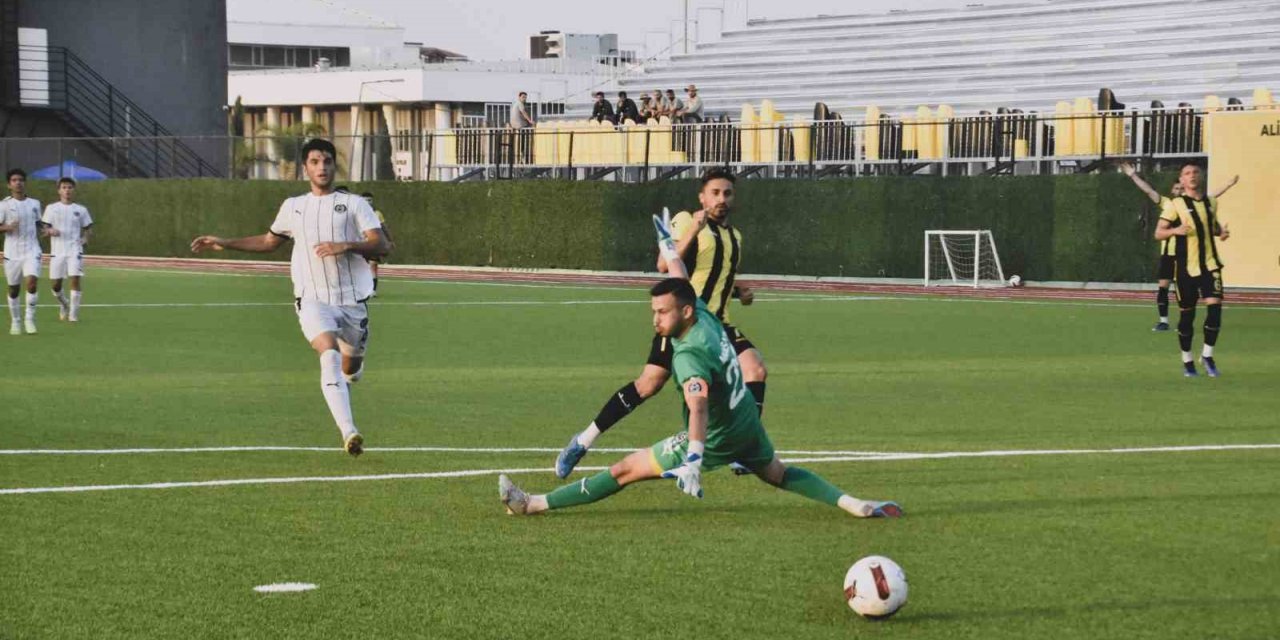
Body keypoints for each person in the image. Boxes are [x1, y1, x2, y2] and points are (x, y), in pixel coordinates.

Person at [499, 212, 901, 519]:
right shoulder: (705, 314)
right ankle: (855, 505)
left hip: (719, 436)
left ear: (684, 312)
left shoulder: (687, 352)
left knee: (625, 469)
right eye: (653, 311)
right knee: (779, 474)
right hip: (748, 423)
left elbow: (698, 406)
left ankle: (533, 504)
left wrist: (693, 458)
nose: (655, 320)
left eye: (661, 313)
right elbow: (680, 276)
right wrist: (668, 246)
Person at [555, 168, 766, 478]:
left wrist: (739, 292)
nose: (721, 199)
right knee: (648, 385)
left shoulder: (735, 237)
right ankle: (583, 441)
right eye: (715, 193)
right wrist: (695, 229)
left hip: (718, 325)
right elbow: (665, 263)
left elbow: (713, 277)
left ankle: (746, 449)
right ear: (702, 197)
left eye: (727, 193)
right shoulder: (686, 221)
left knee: (755, 368)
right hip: (684, 322)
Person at [190, 138, 389, 454]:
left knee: (350, 366)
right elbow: (269, 242)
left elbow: (382, 245)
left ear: (333, 165)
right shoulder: (293, 206)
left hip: (352, 302)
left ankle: (354, 371)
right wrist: (225, 242)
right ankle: (349, 432)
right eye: (314, 161)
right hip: (312, 299)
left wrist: (347, 245)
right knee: (328, 354)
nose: (321, 167)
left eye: (326, 161)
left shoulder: (354, 204)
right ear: (305, 167)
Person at [1122, 162, 1237, 331]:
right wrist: (1133, 175)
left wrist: (1219, 231)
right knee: (1163, 287)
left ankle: (1186, 323)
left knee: (1189, 292)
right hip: (1169, 255)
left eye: (1179, 188)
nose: (1178, 191)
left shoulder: (1194, 203)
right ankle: (1163, 320)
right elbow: (1149, 191)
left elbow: (1208, 210)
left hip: (1188, 256)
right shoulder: (1169, 204)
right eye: (1175, 189)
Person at [1154, 161, 1229, 377]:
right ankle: (1187, 360)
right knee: (1187, 317)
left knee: (1215, 310)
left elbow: (1211, 227)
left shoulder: (1211, 202)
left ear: (1201, 176)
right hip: (1185, 269)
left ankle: (1207, 355)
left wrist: (1220, 233)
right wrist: (1175, 230)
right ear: (1182, 180)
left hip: (1211, 266)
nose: (1192, 176)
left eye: (1196, 172)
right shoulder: (1174, 204)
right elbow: (1159, 233)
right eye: (1187, 173)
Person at [41, 177, 94, 322]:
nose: (67, 190)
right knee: (55, 285)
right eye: (64, 187)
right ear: (59, 190)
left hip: (74, 249)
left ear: (74, 190)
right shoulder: (51, 208)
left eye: (70, 187)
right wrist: (50, 230)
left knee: (75, 279)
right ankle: (64, 303)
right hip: (57, 251)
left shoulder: (81, 210)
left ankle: (73, 315)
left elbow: (88, 228)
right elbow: (44, 227)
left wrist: (85, 239)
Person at [0, 168, 43, 335]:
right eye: (14, 180)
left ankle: (29, 319)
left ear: (25, 183)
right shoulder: (4, 205)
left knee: (31, 282)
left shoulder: (34, 203)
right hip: (12, 252)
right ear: (9, 185)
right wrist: (7, 227)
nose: (18, 182)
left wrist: (47, 229)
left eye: (21, 180)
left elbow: (39, 223)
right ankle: (16, 321)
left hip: (32, 249)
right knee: (13, 289)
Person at [360, 192, 393, 297]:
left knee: (373, 266)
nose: (368, 202)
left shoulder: (377, 213)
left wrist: (390, 240)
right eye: (365, 200)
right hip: (360, 244)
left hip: (374, 243)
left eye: (370, 200)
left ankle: (373, 290)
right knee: (361, 267)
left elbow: (384, 227)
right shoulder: (356, 213)